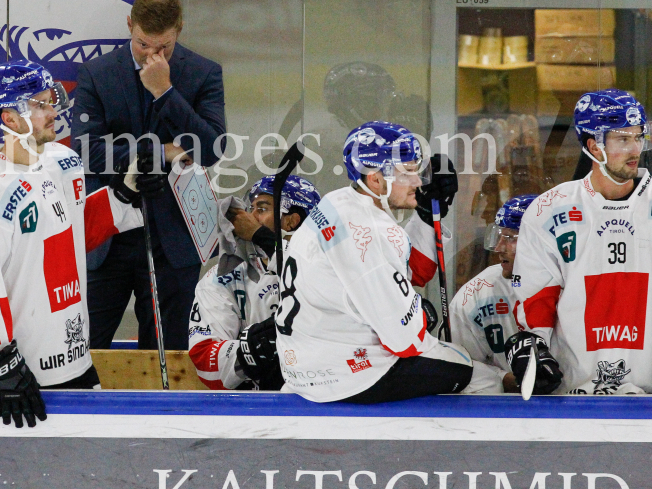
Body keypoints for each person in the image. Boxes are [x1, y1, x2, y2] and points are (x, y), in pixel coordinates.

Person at [0, 60, 148, 427]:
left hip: (73, 358)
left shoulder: (63, 162)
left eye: (50, 100)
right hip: (16, 378)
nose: (52, 110)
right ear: (9, 119)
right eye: (39, 105)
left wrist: (125, 194)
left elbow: (70, 233)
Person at [276, 121, 502, 403]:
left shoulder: (337, 202)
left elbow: (407, 271)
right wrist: (419, 314)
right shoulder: (371, 234)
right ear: (375, 179)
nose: (418, 182)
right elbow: (405, 342)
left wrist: (424, 217)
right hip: (347, 376)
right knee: (482, 377)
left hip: (302, 368)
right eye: (407, 172)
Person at [72, 0, 227, 351]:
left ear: (179, 31)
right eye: (144, 45)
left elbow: (211, 148)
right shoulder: (97, 73)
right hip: (108, 236)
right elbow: (85, 152)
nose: (153, 56)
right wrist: (164, 151)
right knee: (83, 350)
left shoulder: (204, 73)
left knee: (166, 354)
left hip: (172, 236)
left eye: (164, 48)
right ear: (130, 26)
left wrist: (165, 91)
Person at [511, 89, 652, 396]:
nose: (635, 149)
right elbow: (537, 298)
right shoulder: (550, 210)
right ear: (594, 146)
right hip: (574, 393)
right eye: (622, 139)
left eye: (639, 137)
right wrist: (533, 347)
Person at [188, 174, 320, 390]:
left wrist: (262, 237)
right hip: (252, 409)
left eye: (261, 208)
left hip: (324, 399)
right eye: (250, 208)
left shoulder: (329, 267)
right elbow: (206, 364)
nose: (248, 218)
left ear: (291, 220)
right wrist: (250, 351)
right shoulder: (221, 277)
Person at [452, 194, 536, 393]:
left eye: (510, 239)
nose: (498, 248)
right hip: (500, 408)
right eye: (499, 237)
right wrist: (504, 379)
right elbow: (458, 364)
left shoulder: (578, 286)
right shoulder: (476, 294)